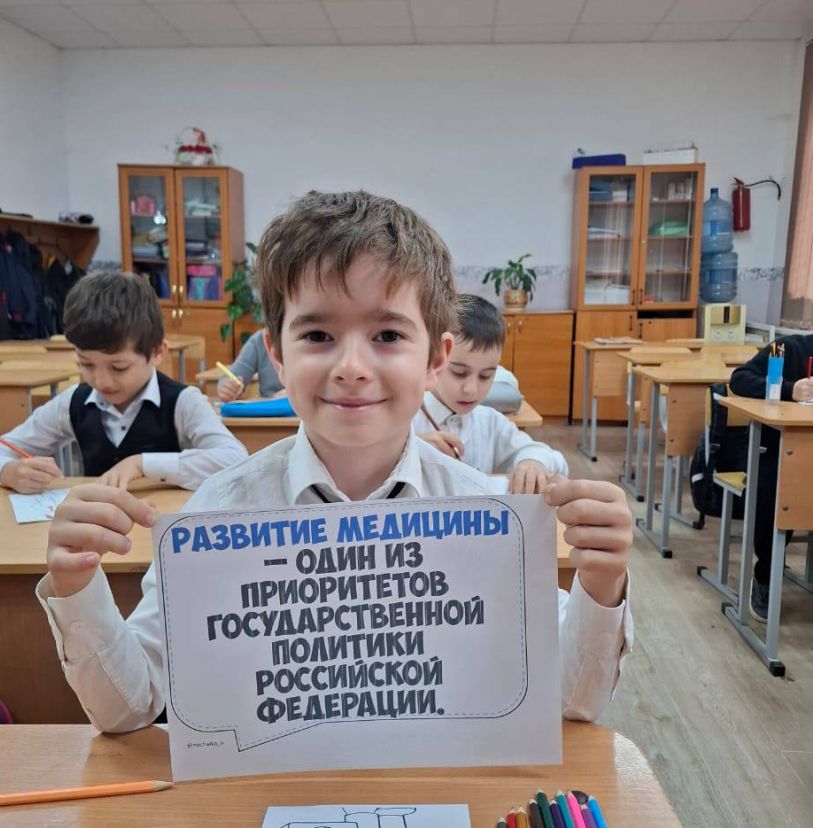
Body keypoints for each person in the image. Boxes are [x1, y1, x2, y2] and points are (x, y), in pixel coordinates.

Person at [37, 190, 633, 733]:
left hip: (439, 793)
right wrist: (77, 588)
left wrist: (601, 588)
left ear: (436, 358)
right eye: (318, 335)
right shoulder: (217, 512)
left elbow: (571, 702)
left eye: (388, 336)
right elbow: (131, 708)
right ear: (276, 353)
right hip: (263, 800)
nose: (351, 367)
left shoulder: (490, 516)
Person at [0, 272, 245, 493]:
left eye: (119, 367)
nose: (101, 381)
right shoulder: (74, 402)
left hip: (161, 532)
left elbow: (236, 460)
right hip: (95, 533)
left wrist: (141, 465)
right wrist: (8, 471)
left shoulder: (183, 402)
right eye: (86, 364)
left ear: (157, 352)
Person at [413, 295, 567, 492]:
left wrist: (533, 461)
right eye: (459, 372)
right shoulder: (406, 417)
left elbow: (556, 460)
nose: (471, 389)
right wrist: (409, 450)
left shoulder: (490, 422)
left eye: (485, 376)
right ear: (435, 360)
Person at [729, 333, 813, 621]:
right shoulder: (789, 348)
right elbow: (739, 379)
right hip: (777, 453)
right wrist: (789, 389)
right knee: (777, 491)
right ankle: (764, 575)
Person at [217, 327, 284, 402]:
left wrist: (292, 393)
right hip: (269, 406)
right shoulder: (260, 340)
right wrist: (228, 389)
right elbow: (230, 376)